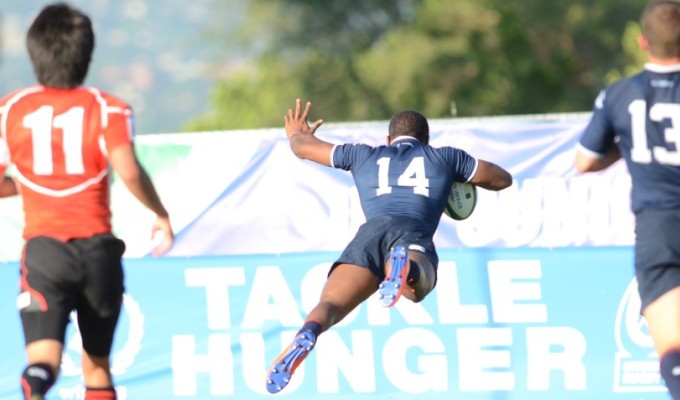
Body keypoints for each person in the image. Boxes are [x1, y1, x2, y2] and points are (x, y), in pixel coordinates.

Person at [265, 99, 512, 394]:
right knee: (418, 289)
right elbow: (501, 179)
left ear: (388, 139)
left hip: (369, 235)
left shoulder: (361, 155)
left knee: (330, 304)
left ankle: (309, 331)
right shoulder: (446, 158)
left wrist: (297, 134)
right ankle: (405, 269)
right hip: (412, 233)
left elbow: (302, 148)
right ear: (426, 140)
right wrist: (458, 177)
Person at [0, 3, 174, 400]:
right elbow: (128, 171)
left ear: (34, 53)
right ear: (87, 53)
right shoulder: (108, 107)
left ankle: (35, 383)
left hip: (45, 253)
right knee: (97, 366)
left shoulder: (10, 109)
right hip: (98, 252)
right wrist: (160, 213)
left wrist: (30, 184)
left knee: (43, 360)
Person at [574, 1, 680, 398]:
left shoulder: (620, 93)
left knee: (673, 349)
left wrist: (629, 148)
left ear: (642, 41)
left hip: (659, 229)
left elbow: (584, 161)